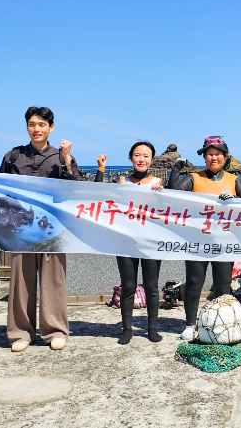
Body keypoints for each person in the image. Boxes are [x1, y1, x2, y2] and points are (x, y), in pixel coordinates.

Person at [0, 106, 85, 352]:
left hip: (53, 229)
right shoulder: (13, 156)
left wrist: (69, 158)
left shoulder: (61, 156)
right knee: (20, 282)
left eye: (42, 124)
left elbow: (79, 187)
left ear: (51, 127)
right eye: (32, 124)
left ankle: (55, 331)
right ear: (27, 127)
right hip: (18, 230)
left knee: (54, 281)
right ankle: (20, 333)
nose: (36, 129)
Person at [167, 136, 241, 340]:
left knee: (223, 286)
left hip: (224, 242)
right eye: (210, 154)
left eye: (218, 154)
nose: (214, 158)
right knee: (194, 283)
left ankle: (223, 323)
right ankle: (189, 325)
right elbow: (172, 196)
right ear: (204, 157)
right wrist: (176, 171)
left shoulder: (234, 180)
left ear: (225, 157)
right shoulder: (194, 178)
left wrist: (236, 200)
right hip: (197, 241)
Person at [94, 143, 164, 344]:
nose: (141, 159)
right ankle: (127, 329)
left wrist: (162, 194)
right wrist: (100, 168)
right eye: (137, 155)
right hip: (125, 241)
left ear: (152, 160)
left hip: (151, 241)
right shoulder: (121, 181)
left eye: (146, 156)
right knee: (128, 286)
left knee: (151, 287)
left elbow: (172, 207)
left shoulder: (159, 183)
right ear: (131, 158)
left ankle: (152, 328)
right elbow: (96, 192)